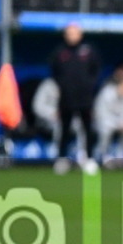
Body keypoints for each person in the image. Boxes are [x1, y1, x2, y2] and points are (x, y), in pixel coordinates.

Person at [49, 22, 101, 174]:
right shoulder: (60, 52)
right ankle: (62, 159)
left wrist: (89, 85)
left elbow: (96, 70)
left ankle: (89, 159)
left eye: (75, 33)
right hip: (66, 97)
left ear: (80, 34)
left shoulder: (89, 51)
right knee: (64, 129)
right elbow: (55, 72)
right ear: (65, 35)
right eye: (69, 33)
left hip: (85, 98)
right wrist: (63, 86)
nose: (72, 36)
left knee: (87, 129)